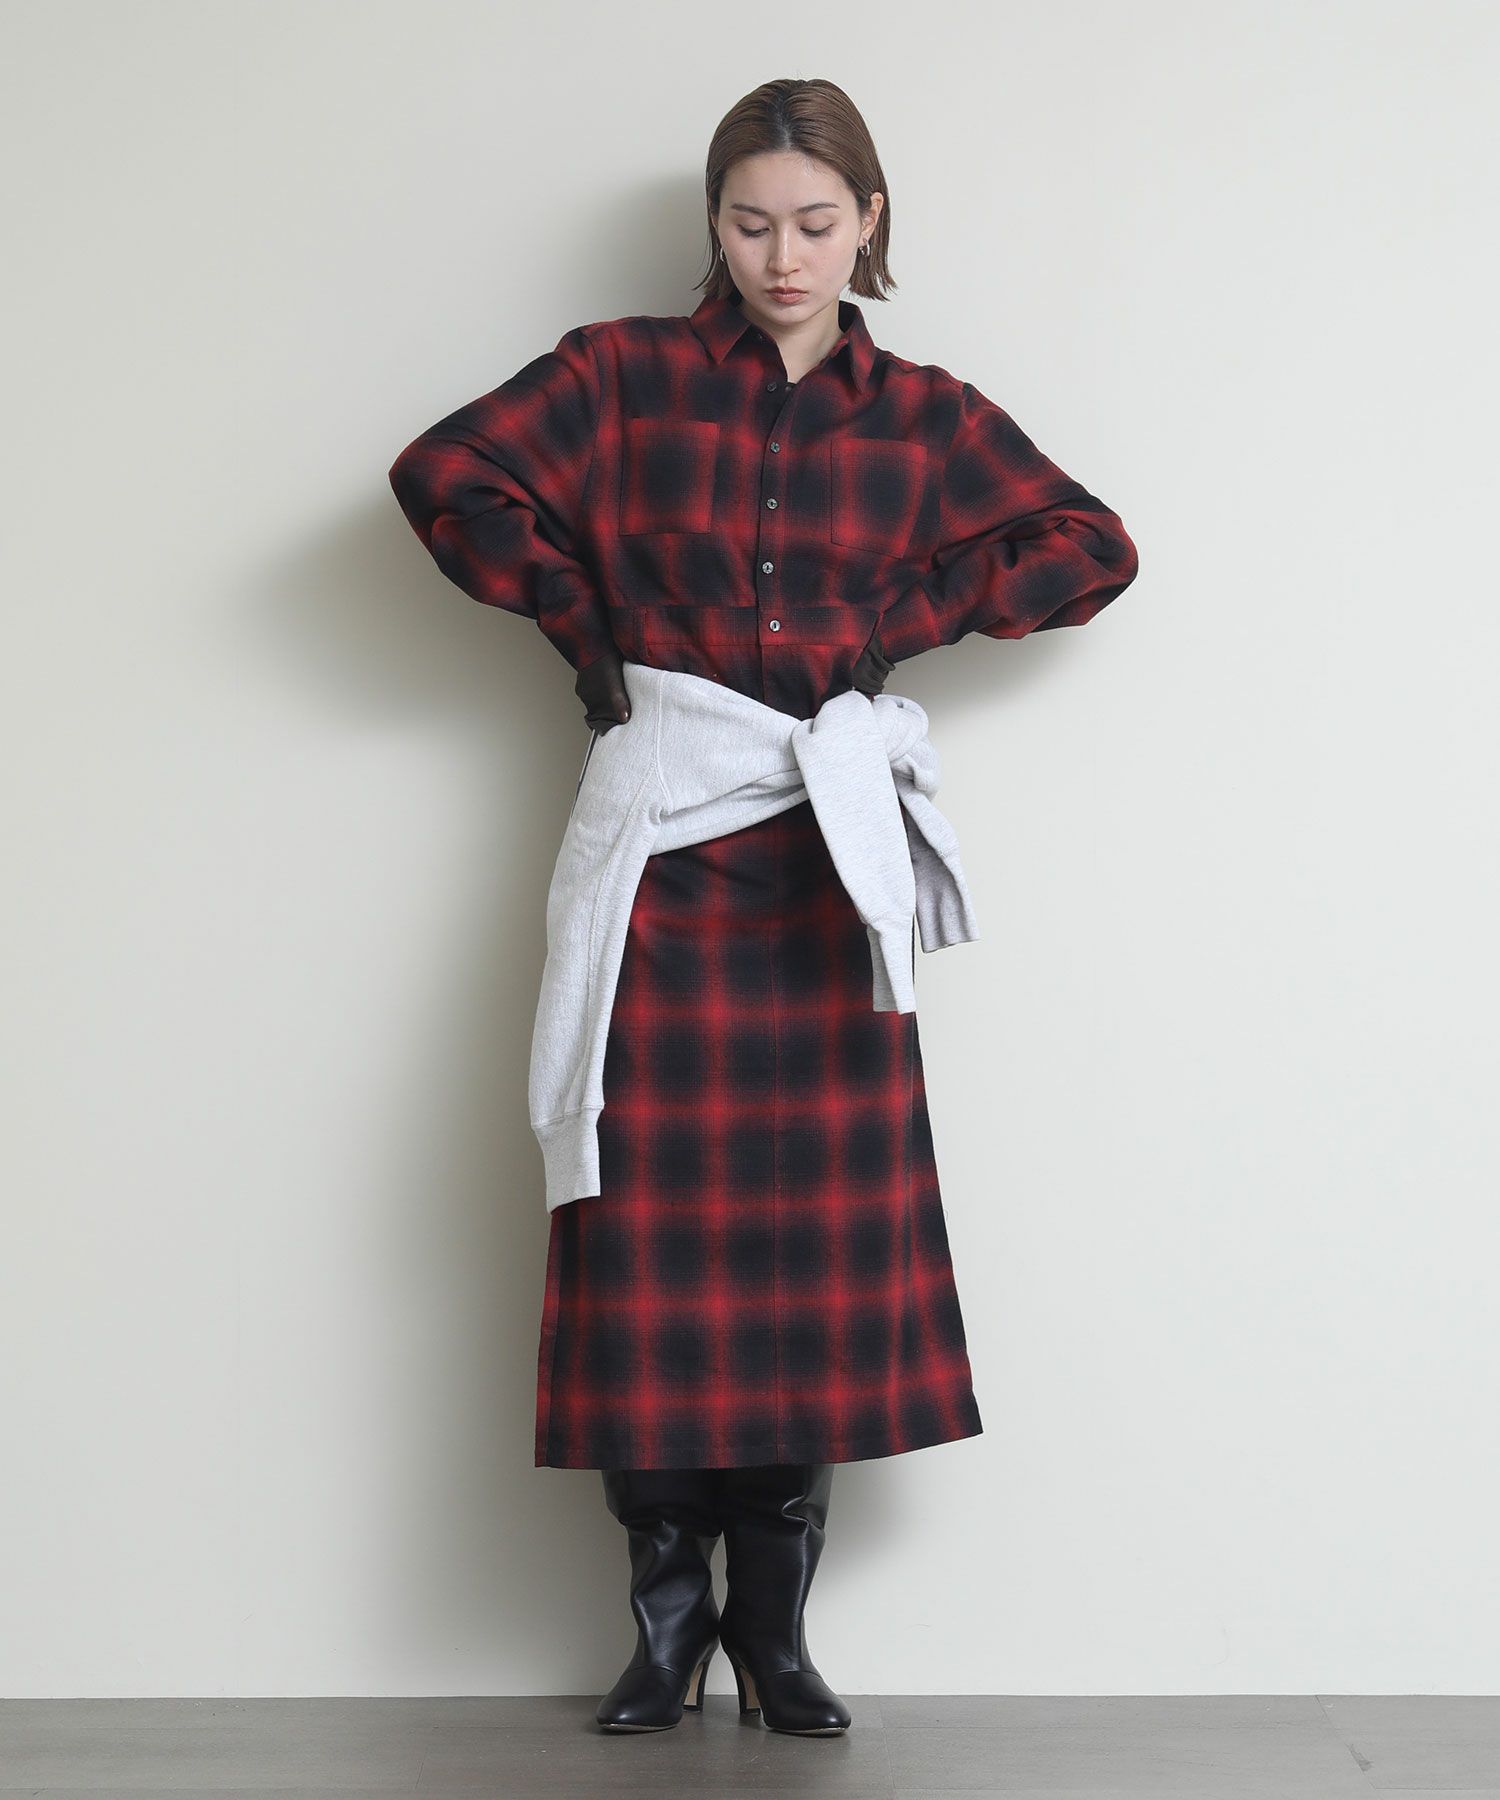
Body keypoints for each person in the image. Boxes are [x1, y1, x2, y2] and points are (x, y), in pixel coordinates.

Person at [387, 76, 1140, 1740]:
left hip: (823, 872)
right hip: (661, 861)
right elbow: (445, 472)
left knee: (810, 1259)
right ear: (713, 227)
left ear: (869, 221)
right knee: (642, 1240)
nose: (782, 257)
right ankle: (663, 1629)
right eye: (748, 224)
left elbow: (1092, 544)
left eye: (813, 223)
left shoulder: (926, 417)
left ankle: (776, 1633)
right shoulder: (621, 376)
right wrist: (579, 618)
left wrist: (906, 617)